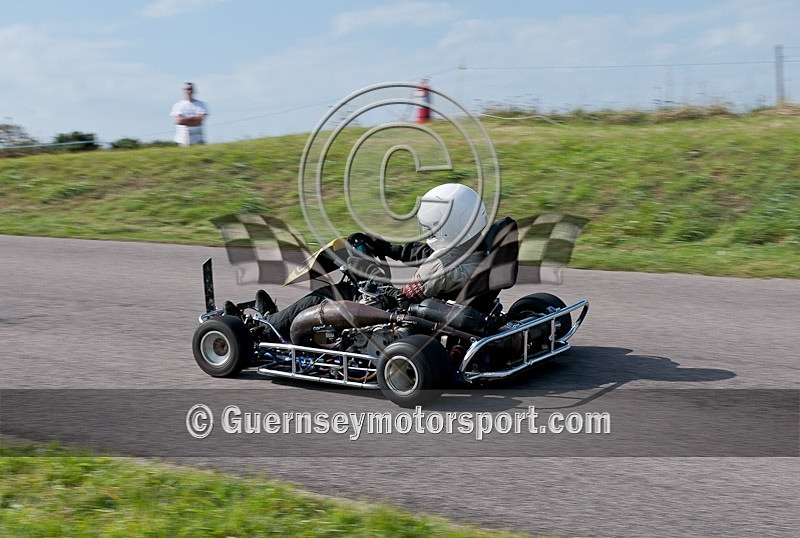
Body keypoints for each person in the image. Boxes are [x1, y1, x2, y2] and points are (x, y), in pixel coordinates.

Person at [226, 184, 489, 340]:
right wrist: (387, 248)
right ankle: (275, 319)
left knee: (330, 293)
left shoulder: (442, 268)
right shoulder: (476, 248)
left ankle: (265, 330)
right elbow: (425, 256)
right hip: (443, 308)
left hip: (404, 317)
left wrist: (363, 272)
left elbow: (400, 299)